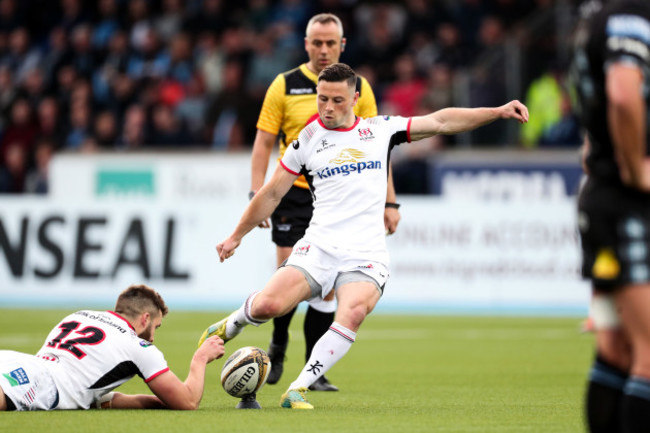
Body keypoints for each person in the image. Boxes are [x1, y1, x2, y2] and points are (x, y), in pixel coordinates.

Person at [199, 63, 528, 409]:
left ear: (355, 98)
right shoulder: (307, 141)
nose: (327, 107)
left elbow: (442, 121)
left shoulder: (380, 129)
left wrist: (498, 111)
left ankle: (298, 387)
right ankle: (231, 323)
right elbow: (270, 194)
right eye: (322, 99)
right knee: (269, 305)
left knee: (352, 312)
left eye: (337, 100)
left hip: (366, 253)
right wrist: (237, 235)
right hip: (319, 247)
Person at [249, 13, 400, 392]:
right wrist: (256, 194)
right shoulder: (284, 85)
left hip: (341, 199)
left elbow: (379, 148)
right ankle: (279, 342)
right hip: (294, 195)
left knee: (329, 287)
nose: (323, 49)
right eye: (317, 42)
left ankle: (312, 370)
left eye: (331, 43)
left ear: (342, 45)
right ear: (305, 44)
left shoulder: (357, 86)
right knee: (288, 272)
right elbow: (264, 143)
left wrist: (389, 201)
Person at [571, 1, 650, 432]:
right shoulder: (631, 17)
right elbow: (623, 92)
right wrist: (635, 169)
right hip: (627, 204)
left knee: (616, 352)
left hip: (605, 199)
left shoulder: (598, 17)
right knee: (647, 356)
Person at [0, 284, 225, 411]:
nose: (153, 337)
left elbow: (97, 395)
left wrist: (154, 403)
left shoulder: (79, 315)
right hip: (42, 382)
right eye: (156, 326)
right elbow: (187, 401)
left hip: (16, 361)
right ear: (145, 318)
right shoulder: (137, 346)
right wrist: (200, 358)